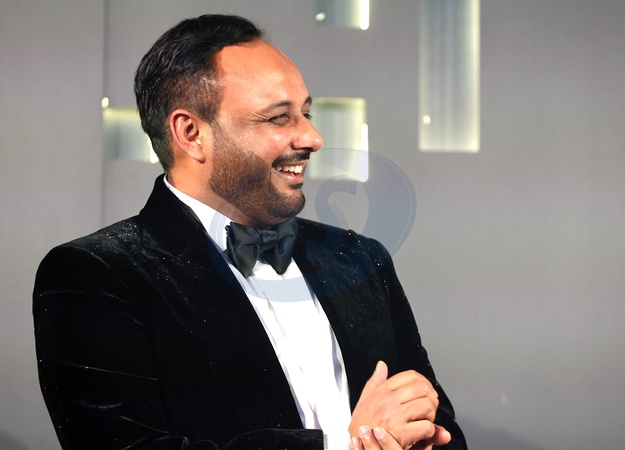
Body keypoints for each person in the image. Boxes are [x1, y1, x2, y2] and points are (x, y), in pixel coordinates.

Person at [33, 14, 467, 450]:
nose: (313, 137)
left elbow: (439, 427)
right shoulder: (95, 275)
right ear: (191, 133)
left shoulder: (358, 259)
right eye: (279, 118)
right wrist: (347, 444)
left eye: (306, 113)